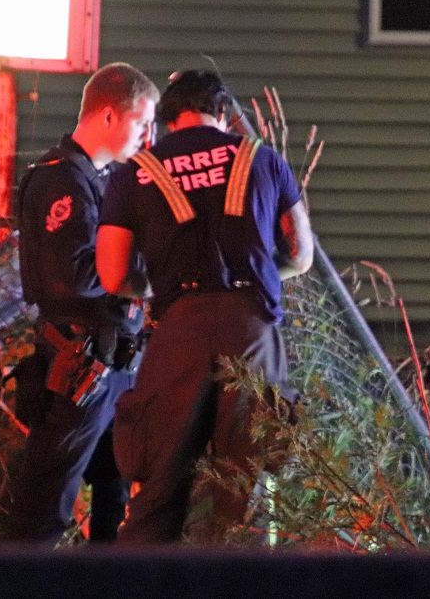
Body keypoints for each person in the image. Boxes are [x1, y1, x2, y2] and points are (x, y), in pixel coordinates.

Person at [95, 69, 314, 543]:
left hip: (179, 330)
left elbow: (113, 275)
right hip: (251, 331)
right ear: (224, 115)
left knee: (157, 486)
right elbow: (301, 254)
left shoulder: (136, 172)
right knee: (247, 486)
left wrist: (157, 285)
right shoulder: (263, 159)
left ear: (170, 118)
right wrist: (260, 273)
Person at [6, 62, 159, 544]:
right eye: (141, 122)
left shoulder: (101, 178)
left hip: (114, 363)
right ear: (110, 116)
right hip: (81, 364)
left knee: (115, 497)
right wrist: (149, 277)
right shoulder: (62, 182)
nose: (147, 134)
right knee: (46, 504)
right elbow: (74, 277)